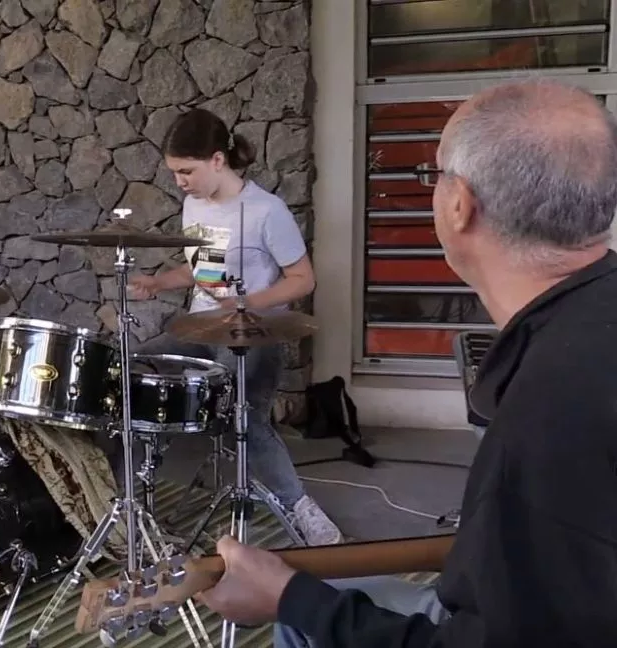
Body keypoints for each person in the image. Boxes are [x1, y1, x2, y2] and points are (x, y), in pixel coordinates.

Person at [200, 79, 617, 646]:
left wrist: (289, 598)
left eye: (435, 174)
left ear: (459, 205)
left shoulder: (548, 413)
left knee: (301, 622)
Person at [127, 108, 342, 546]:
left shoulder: (267, 211)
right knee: (133, 372)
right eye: (174, 172)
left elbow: (303, 279)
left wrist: (246, 304)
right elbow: (202, 272)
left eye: (187, 171)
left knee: (245, 417)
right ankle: (129, 504)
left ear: (217, 160)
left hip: (254, 333)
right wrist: (158, 282)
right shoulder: (193, 206)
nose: (179, 182)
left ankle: (301, 508)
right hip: (200, 328)